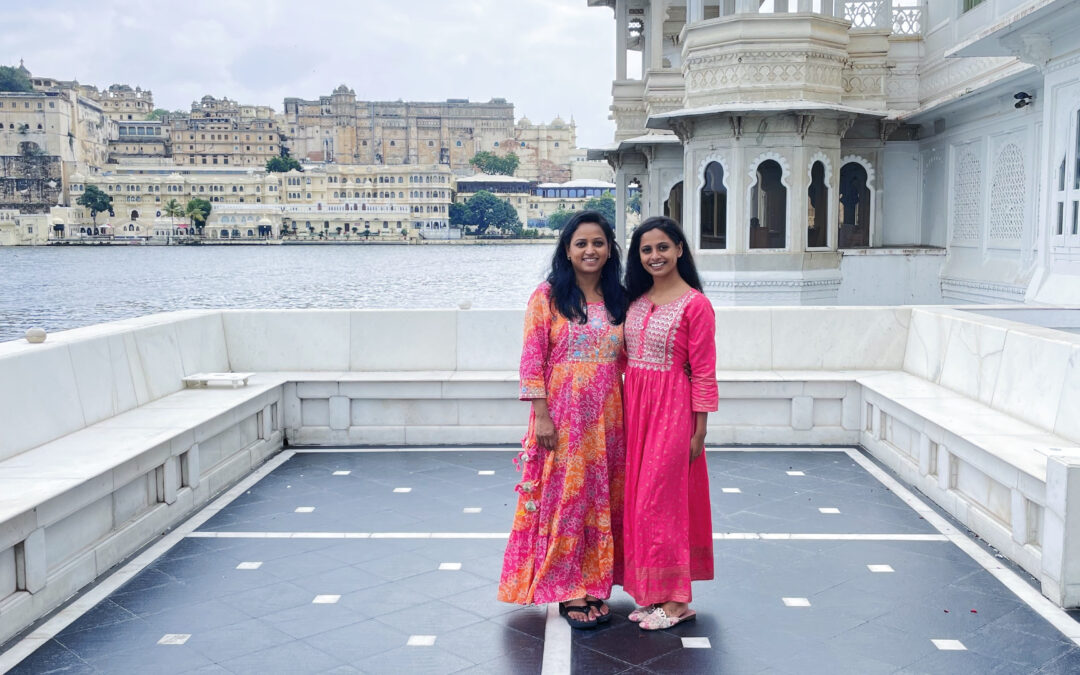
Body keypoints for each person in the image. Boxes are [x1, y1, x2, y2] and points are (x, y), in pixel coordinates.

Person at [497, 211, 628, 629]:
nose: (590, 250)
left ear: (610, 249)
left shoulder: (619, 299)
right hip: (564, 419)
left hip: (609, 420)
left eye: (598, 243)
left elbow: (630, 359)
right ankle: (567, 586)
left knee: (600, 498)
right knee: (566, 501)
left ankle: (593, 582)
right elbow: (531, 360)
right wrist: (542, 418)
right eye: (581, 243)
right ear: (567, 251)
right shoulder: (549, 296)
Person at [621, 216, 718, 631]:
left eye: (663, 247)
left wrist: (699, 429)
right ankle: (657, 595)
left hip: (672, 410)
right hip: (634, 410)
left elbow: (704, 370)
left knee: (662, 504)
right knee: (640, 503)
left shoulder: (695, 304)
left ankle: (678, 602)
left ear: (680, 249)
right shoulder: (635, 300)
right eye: (646, 249)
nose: (655, 256)